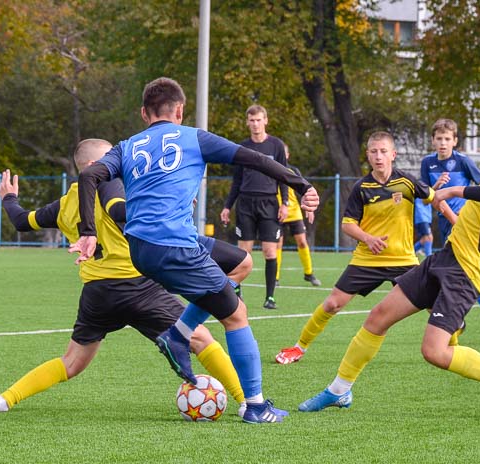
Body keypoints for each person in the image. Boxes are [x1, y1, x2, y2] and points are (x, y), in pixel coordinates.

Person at [298, 112, 480, 420]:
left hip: (466, 272)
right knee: (378, 317)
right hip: (445, 259)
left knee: (434, 351)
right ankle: (340, 390)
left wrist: (454, 190)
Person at [70, 78, 319, 423]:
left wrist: (88, 232)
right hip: (175, 247)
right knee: (236, 315)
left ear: (144, 113)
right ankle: (257, 406)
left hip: (141, 249)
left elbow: (89, 178)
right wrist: (301, 184)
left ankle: (178, 335)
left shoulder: (126, 146)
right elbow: (256, 160)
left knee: (242, 263)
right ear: (181, 111)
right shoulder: (194, 137)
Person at [0, 139, 250, 416]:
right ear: (94, 166)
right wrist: (171, 205)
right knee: (200, 337)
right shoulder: (108, 184)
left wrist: (9, 198)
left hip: (98, 294)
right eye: (112, 158)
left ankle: (1, 401)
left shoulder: (65, 203)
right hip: (139, 286)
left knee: (71, 363)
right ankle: (246, 401)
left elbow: (22, 221)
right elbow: (121, 211)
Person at [275, 131, 436, 365]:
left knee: (432, 304)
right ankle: (299, 348)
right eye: (373, 152)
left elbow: (435, 198)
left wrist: (456, 220)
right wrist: (368, 239)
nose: (378, 156)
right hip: (367, 260)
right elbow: (347, 225)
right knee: (332, 304)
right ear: (368, 156)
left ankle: (450, 346)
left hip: (403, 260)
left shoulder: (407, 182)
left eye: (383, 151)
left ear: (393, 154)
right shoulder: (361, 187)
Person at [421, 118, 480, 344]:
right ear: (433, 141)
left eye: (447, 139)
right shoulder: (427, 163)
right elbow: (424, 199)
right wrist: (434, 191)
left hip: (467, 226)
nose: (443, 143)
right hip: (445, 226)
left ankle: (475, 320)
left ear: (455, 141)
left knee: (465, 271)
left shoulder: (462, 162)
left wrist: (460, 211)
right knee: (460, 272)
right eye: (439, 138)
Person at [220, 105, 289, 309]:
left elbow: (283, 176)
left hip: (269, 203)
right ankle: (237, 297)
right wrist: (227, 206)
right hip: (246, 204)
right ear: (247, 122)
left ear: (265, 120)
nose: (255, 124)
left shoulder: (276, 146)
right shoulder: (242, 147)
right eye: (252, 120)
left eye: (259, 120)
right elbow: (237, 180)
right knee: (243, 253)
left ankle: (270, 297)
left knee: (270, 251)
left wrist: (284, 203)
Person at [275, 144, 321, 287]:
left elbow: (303, 188)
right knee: (278, 244)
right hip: (277, 212)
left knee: (302, 241)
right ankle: (275, 278)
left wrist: (309, 208)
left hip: (294, 211)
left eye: (284, 153)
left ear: (287, 155)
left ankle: (309, 273)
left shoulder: (293, 170)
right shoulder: (270, 170)